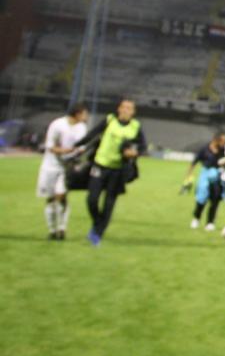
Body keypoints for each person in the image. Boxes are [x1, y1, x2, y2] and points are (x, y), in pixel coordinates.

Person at [73, 98, 147, 246]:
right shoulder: (109, 120)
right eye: (124, 107)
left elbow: (142, 146)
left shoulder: (135, 126)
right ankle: (98, 223)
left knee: (109, 203)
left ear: (133, 112)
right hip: (100, 165)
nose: (126, 110)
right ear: (119, 108)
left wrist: (133, 153)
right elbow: (92, 134)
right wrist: (75, 145)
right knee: (92, 199)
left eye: (129, 108)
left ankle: (97, 234)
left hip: (118, 169)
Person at [37, 104, 89, 240]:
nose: (86, 117)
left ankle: (62, 228)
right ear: (77, 114)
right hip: (50, 166)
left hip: (66, 168)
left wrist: (79, 152)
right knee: (50, 199)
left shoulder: (82, 128)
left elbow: (81, 147)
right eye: (84, 114)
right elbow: (50, 146)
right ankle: (52, 230)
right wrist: (65, 151)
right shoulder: (57, 124)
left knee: (61, 195)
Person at [184, 133, 225, 231]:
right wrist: (189, 175)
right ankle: (196, 219)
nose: (224, 143)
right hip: (205, 176)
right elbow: (195, 161)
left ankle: (210, 222)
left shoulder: (223, 150)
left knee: (215, 200)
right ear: (216, 140)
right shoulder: (204, 149)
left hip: (218, 177)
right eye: (222, 141)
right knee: (201, 198)